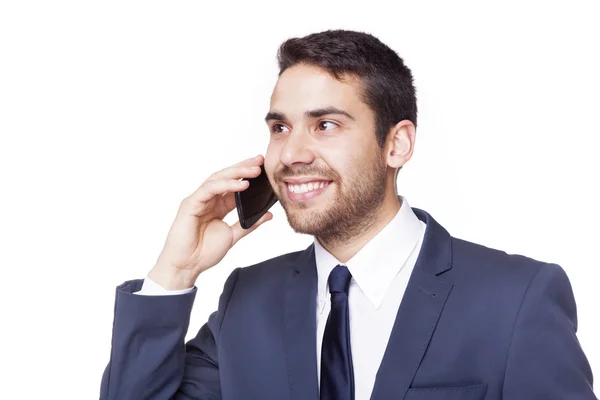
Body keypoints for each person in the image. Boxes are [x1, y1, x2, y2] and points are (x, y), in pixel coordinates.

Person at [100, 30, 596, 400]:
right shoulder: (246, 302)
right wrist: (174, 274)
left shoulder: (516, 300)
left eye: (326, 124)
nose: (291, 153)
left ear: (396, 144)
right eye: (279, 127)